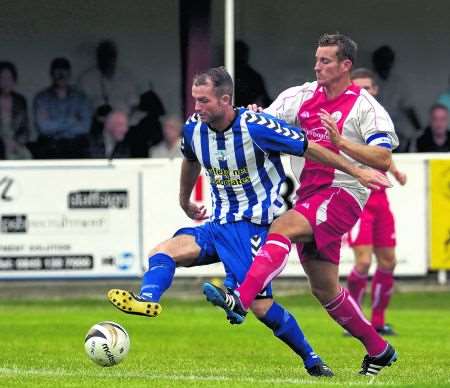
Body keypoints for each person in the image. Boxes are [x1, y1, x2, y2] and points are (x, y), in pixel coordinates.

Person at [107, 67, 388, 377]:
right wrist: (184, 201)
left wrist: (357, 171)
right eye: (194, 101)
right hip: (217, 225)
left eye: (203, 101)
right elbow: (190, 160)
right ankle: (148, 299)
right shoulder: (193, 129)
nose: (196, 108)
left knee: (262, 307)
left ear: (225, 100)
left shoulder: (257, 126)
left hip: (253, 227)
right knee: (163, 251)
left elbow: (310, 147)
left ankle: (312, 360)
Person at [203, 34, 399, 376]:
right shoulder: (301, 96)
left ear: (345, 66)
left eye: (325, 61)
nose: (317, 66)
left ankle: (241, 299)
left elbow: (382, 157)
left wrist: (342, 144)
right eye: (317, 59)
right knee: (324, 289)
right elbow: (268, 124)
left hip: (343, 193)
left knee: (283, 227)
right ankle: (379, 350)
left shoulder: (366, 108)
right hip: (309, 195)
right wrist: (254, 115)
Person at [346, 68, 407, 336]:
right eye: (358, 88)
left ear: (375, 90)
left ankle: (379, 320)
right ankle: (354, 320)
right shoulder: (347, 119)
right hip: (357, 199)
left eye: (367, 88)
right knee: (362, 262)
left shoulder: (378, 118)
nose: (363, 92)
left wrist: (393, 170)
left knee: (388, 260)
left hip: (380, 200)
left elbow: (380, 150)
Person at [33, 57, 92, 159]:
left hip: (75, 146)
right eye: (57, 72)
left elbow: (85, 127)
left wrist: (55, 125)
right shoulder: (41, 98)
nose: (61, 75)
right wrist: (72, 120)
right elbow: (44, 127)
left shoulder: (81, 98)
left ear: (69, 74)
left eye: (64, 72)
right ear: (51, 74)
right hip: (51, 146)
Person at [371, 45, 421, 152]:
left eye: (388, 60)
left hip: (397, 130)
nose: (385, 63)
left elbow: (408, 108)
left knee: (406, 138)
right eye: (382, 59)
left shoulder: (398, 83)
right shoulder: (369, 81)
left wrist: (419, 129)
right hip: (374, 129)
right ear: (376, 62)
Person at [0, 61, 32, 160]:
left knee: (27, 156)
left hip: (16, 143)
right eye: (2, 78)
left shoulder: (20, 100)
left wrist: (17, 142)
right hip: (1, 144)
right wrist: (4, 143)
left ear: (14, 80)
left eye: (9, 78)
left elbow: (25, 128)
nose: (6, 82)